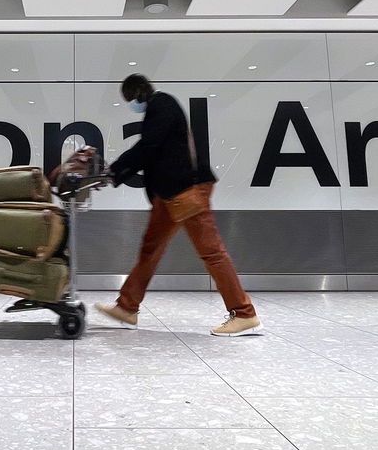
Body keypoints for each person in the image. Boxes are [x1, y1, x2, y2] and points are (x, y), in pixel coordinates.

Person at [94, 74, 263, 336]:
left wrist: (114, 171)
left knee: (211, 253)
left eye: (130, 100)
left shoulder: (162, 104)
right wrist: (116, 172)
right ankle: (127, 307)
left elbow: (149, 146)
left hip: (186, 191)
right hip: (170, 194)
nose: (132, 106)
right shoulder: (159, 107)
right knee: (150, 250)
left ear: (139, 93)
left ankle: (244, 314)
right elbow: (154, 152)